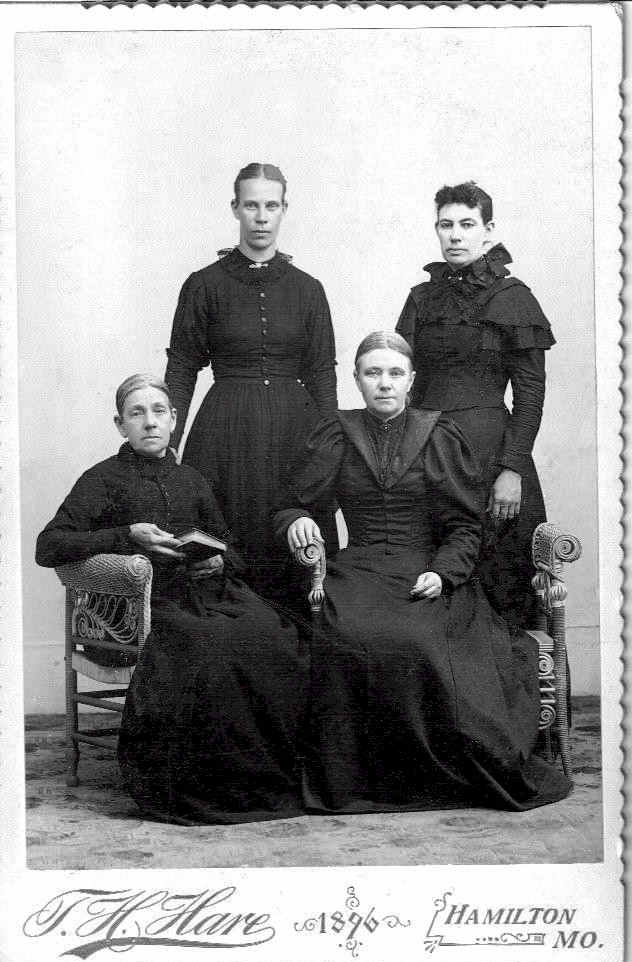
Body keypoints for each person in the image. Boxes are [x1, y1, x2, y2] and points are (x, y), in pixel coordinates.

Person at [273, 332, 571, 814]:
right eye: (373, 373)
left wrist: (443, 573)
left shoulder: (438, 433)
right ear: (357, 380)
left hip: (427, 570)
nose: (384, 383)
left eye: (395, 373)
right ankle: (361, 777)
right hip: (360, 569)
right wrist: (297, 519)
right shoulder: (336, 432)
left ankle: (424, 774)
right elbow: (291, 501)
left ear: (411, 379)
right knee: (349, 634)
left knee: (417, 639)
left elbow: (465, 526)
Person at [36, 374, 308, 825]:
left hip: (206, 593)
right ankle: (202, 783)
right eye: (137, 413)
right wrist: (128, 535)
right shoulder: (101, 479)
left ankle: (259, 778)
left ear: (174, 419)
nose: (150, 422)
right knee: (208, 645)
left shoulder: (191, 479)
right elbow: (49, 546)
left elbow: (228, 544)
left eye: (158, 411)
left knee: (274, 634)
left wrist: (219, 560)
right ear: (121, 424)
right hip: (139, 608)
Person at [165, 162, 338, 597]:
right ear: (235, 208)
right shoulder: (203, 285)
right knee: (221, 544)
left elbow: (321, 373)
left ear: (284, 210)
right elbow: (182, 368)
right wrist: (170, 440)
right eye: (251, 206)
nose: (261, 217)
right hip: (225, 431)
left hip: (294, 431)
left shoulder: (308, 289)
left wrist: (333, 446)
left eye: (271, 206)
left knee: (297, 544)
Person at [396, 182, 555, 628]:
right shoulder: (421, 298)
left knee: (500, 583)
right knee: (432, 582)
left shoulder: (513, 297)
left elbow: (530, 395)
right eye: (446, 225)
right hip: (429, 457)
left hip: (491, 461)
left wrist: (512, 469)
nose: (455, 235)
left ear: (488, 230)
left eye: (467, 224)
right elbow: (404, 383)